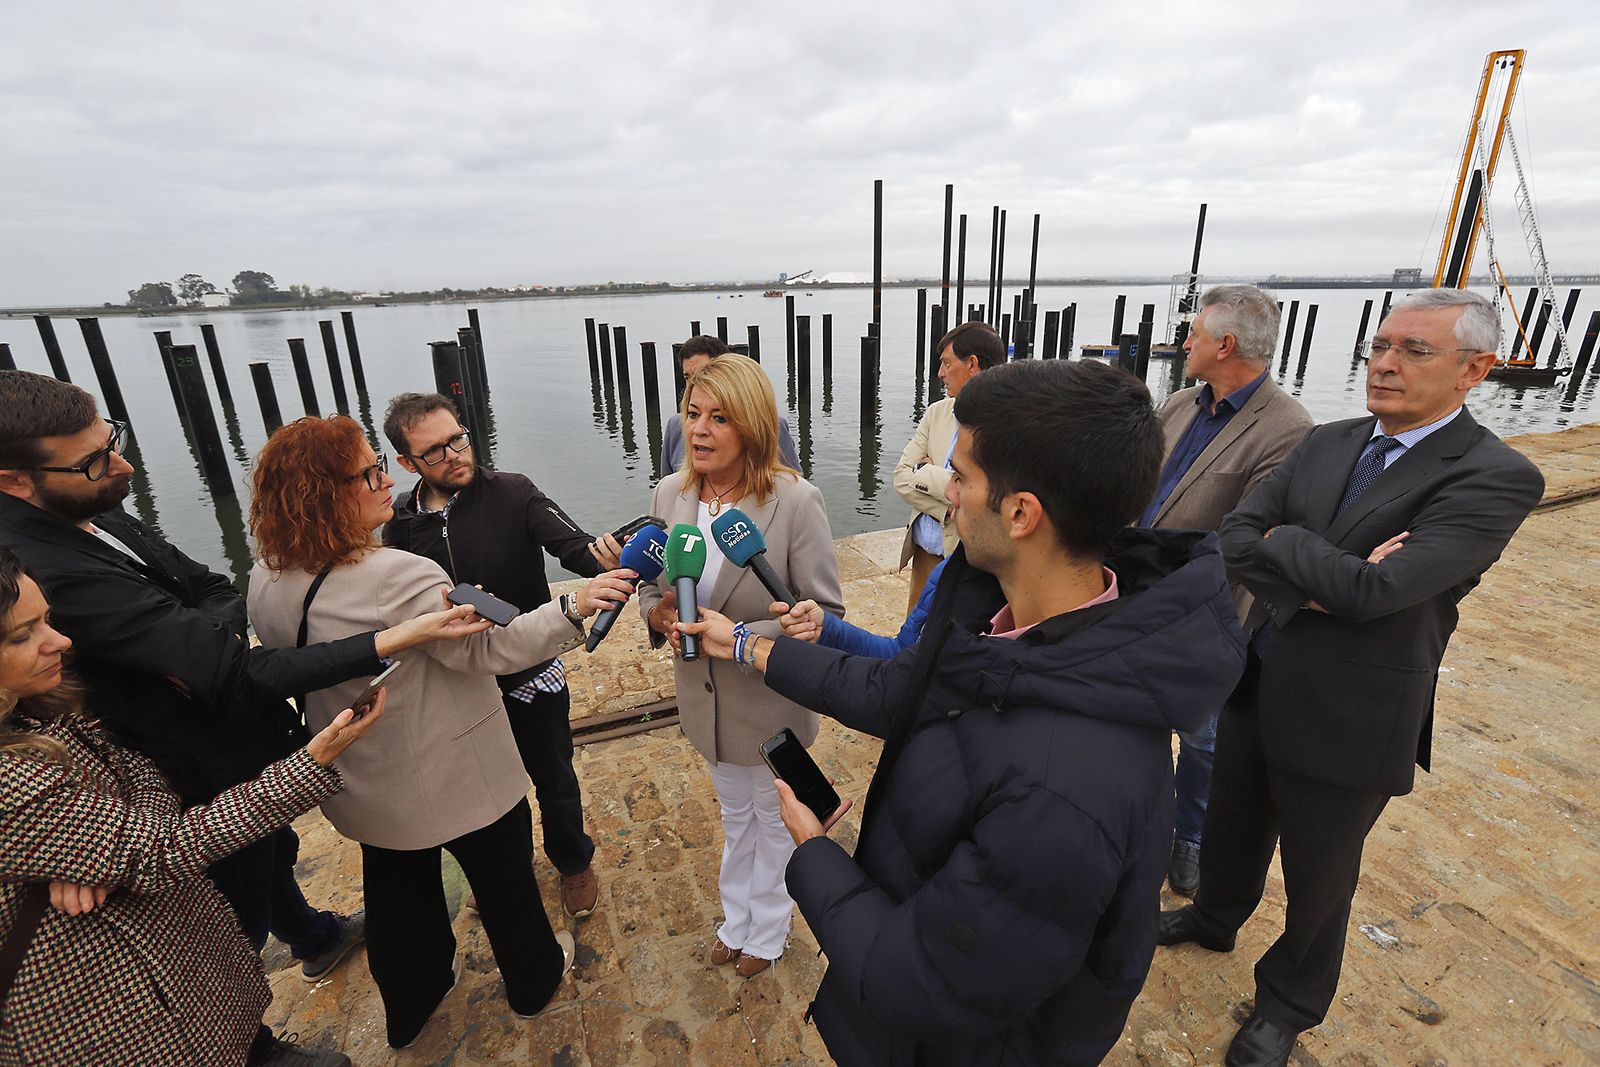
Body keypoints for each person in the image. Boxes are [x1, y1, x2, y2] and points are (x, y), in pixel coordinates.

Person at [680, 359, 1248, 1064]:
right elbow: (896, 690)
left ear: (1021, 513)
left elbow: (919, 982)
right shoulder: (996, 607)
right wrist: (748, 647)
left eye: (961, 476)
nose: (946, 491)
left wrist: (817, 856)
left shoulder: (1064, 792)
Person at [1158, 289, 1544, 1067]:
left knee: (1320, 873)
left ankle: (1287, 1003)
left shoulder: (1495, 476)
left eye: (1414, 350)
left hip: (1354, 707)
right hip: (1262, 672)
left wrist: (1290, 544)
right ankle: (1215, 916)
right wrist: (1324, 567)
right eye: (1380, 346)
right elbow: (1237, 537)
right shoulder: (1328, 440)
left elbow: (1376, 592)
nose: (1385, 364)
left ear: (1475, 370)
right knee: (1232, 823)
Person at [0, 371, 460, 989]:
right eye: (93, 462)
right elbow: (230, 670)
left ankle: (313, 937)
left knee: (272, 856)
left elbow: (214, 587)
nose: (124, 466)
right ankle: (247, 1028)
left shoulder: (89, 506)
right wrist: (389, 639)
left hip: (226, 737)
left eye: (112, 440)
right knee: (230, 908)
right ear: (14, 480)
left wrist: (204, 636)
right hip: (183, 770)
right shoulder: (45, 568)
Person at [245, 416, 638, 1049]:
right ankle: (536, 980)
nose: (384, 481)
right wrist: (574, 605)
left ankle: (413, 1004)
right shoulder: (398, 574)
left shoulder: (266, 577)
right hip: (454, 770)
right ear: (329, 495)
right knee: (506, 884)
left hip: (363, 776)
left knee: (399, 897)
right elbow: (490, 651)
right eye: (371, 472)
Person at [0, 544, 388, 1066]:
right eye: (23, 635)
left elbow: (141, 777)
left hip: (155, 973)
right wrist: (311, 762)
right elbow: (162, 852)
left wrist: (102, 848)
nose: (62, 641)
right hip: (99, 1009)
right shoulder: (12, 776)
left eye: (47, 620)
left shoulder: (35, 709)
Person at [637, 355, 843, 979]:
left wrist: (742, 637)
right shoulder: (669, 493)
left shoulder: (795, 501)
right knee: (735, 818)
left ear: (752, 424)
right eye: (693, 414)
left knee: (775, 823)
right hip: (705, 705)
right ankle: (735, 920)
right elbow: (652, 588)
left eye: (719, 418)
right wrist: (659, 616)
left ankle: (768, 931)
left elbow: (823, 614)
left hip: (770, 703)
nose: (698, 430)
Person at [382, 392, 620, 919]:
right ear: (407, 463)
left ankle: (573, 861)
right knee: (482, 787)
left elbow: (573, 546)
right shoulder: (399, 525)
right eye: (435, 451)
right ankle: (507, 870)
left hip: (529, 669)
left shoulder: (513, 491)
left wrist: (605, 557)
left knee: (554, 777)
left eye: (458, 439)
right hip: (460, 682)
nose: (454, 455)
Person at [1142, 285, 1313, 896]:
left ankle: (1190, 839)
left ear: (1226, 344)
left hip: (1208, 613)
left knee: (1202, 738)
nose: (1184, 340)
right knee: (1136, 716)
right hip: (1136, 597)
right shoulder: (1180, 403)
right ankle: (1142, 821)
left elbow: (1250, 539)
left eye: (1194, 332)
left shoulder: (1289, 428)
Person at [893, 321, 1004, 613]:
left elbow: (992, 502)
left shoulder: (1003, 425)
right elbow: (901, 477)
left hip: (963, 557)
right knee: (913, 629)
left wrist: (927, 474)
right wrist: (953, 500)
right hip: (923, 553)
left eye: (946, 363)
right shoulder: (936, 413)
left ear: (972, 364)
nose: (940, 373)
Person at [660, 335, 800, 473]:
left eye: (704, 374)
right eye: (688, 377)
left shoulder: (770, 426)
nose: (695, 383)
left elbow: (792, 477)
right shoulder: (675, 427)